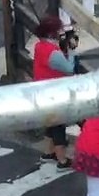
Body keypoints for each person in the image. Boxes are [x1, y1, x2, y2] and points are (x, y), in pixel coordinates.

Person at [33, 16, 81, 167]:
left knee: (51, 123)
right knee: (58, 125)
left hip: (43, 91)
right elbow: (68, 68)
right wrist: (72, 51)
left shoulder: (40, 46)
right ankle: (62, 160)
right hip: (54, 94)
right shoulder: (52, 52)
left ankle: (49, 153)